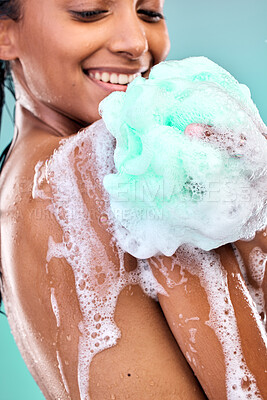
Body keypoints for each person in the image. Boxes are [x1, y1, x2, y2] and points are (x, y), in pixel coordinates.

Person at [0, 1, 266, 399]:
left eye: (150, 13)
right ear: (5, 35)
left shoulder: (17, 185)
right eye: (89, 11)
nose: (136, 42)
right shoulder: (131, 159)